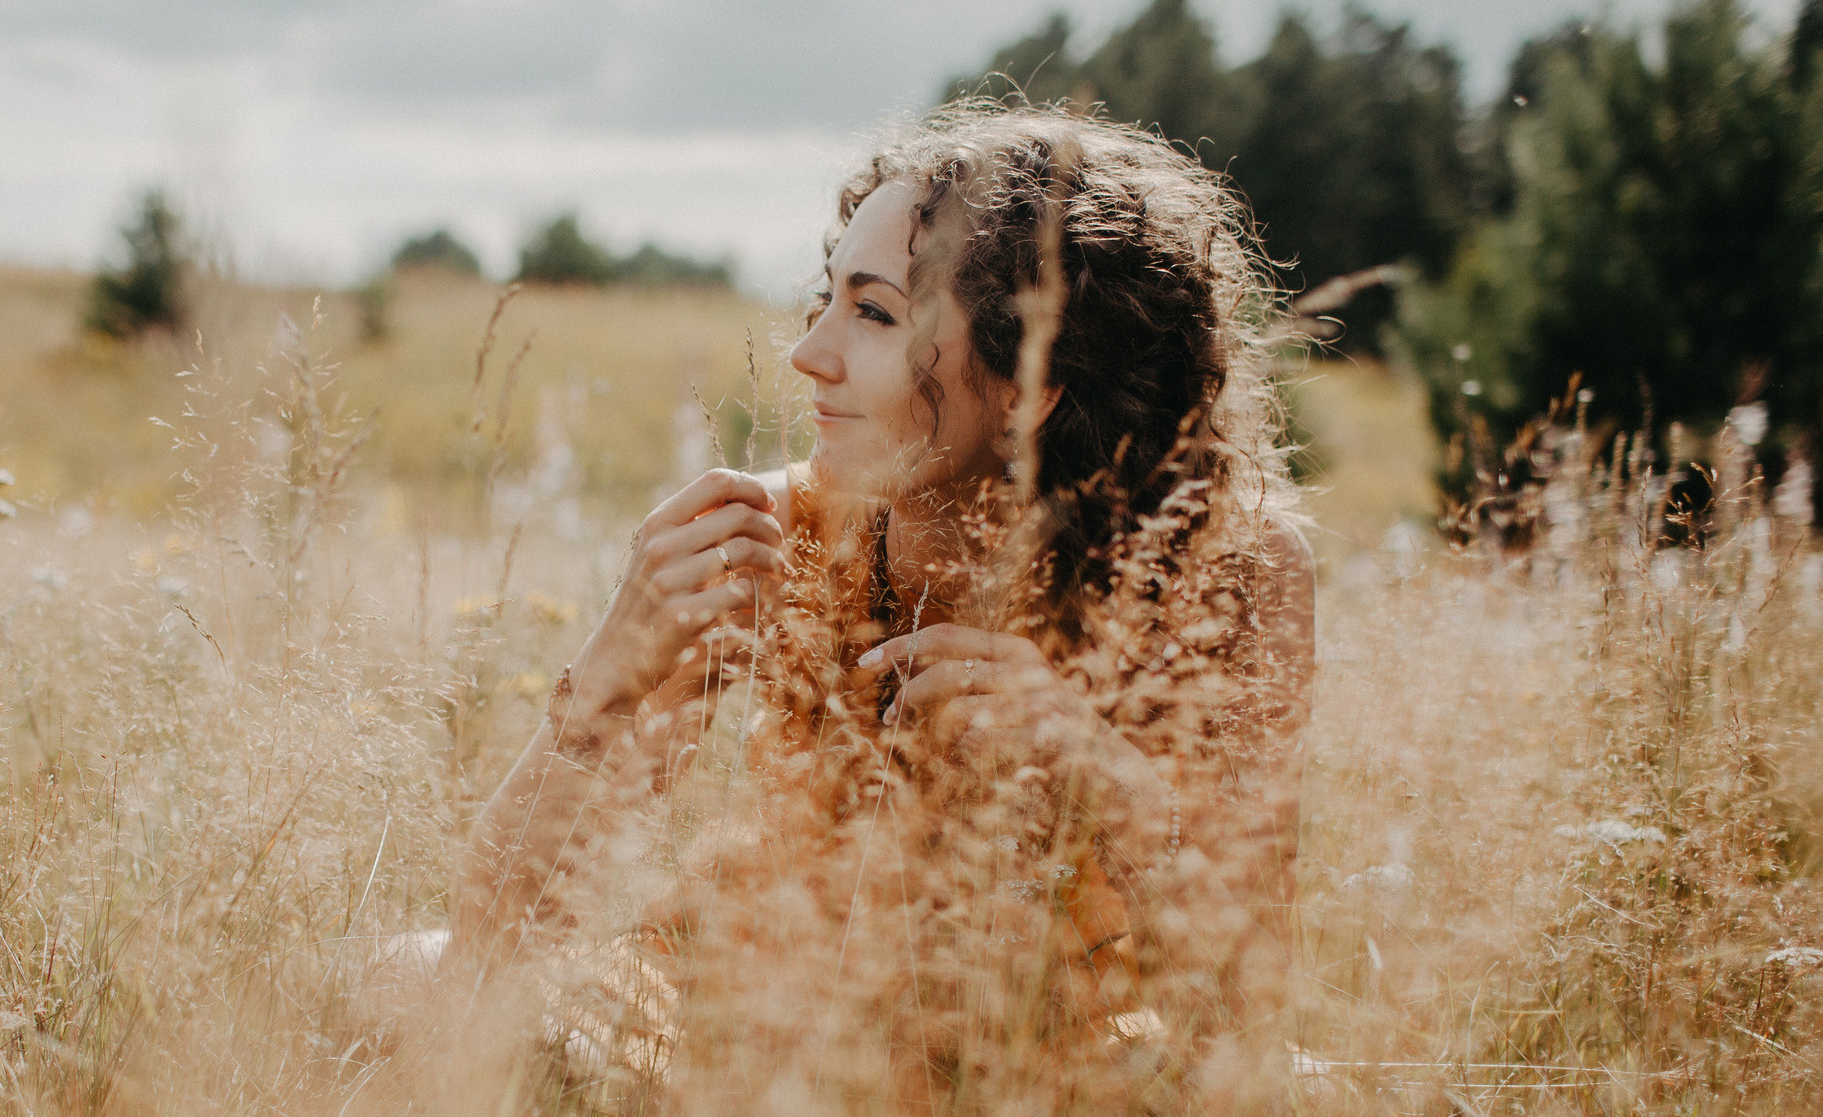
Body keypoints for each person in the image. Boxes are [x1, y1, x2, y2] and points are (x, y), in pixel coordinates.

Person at [451, 103, 1314, 1041]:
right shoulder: (774, 539)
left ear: (1032, 380)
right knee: (412, 983)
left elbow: (1248, 1005)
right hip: (763, 1052)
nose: (808, 352)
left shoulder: (1231, 569)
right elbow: (489, 944)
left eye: (871, 312)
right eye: (826, 299)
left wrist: (1100, 771)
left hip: (1059, 1084)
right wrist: (612, 669)